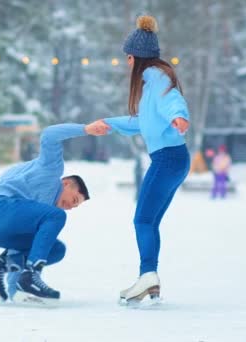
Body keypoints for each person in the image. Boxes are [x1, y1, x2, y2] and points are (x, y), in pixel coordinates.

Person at [98, 15, 191, 303]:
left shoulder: (157, 78)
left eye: (128, 58)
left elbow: (171, 99)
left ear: (136, 57)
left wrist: (179, 116)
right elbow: (142, 122)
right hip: (172, 159)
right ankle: (148, 279)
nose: (127, 64)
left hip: (168, 158)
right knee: (148, 221)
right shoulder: (150, 83)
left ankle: (148, 275)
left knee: (142, 220)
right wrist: (108, 123)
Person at [0, 120, 108, 305]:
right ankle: (30, 277)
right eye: (74, 200)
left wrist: (16, 292)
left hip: (0, 228)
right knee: (56, 216)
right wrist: (85, 129)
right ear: (66, 183)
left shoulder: (37, 213)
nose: (71, 207)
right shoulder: (51, 170)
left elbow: (19, 249)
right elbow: (50, 134)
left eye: (75, 207)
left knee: (55, 248)